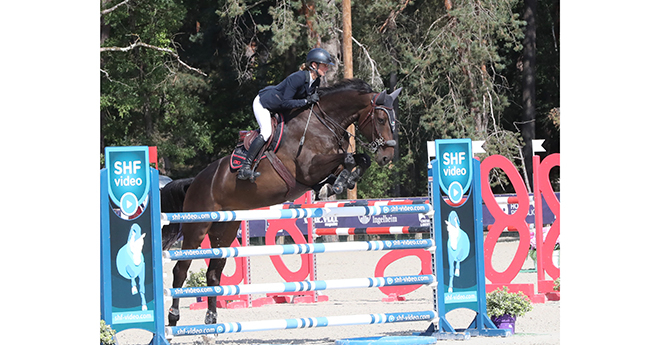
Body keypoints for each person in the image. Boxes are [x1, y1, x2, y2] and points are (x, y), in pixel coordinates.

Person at [237, 47, 335, 181]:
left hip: (281, 107)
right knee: (266, 132)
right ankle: (245, 167)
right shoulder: (297, 78)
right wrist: (306, 100)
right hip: (265, 103)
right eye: (324, 66)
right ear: (314, 65)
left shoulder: (316, 81)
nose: (327, 69)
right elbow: (285, 102)